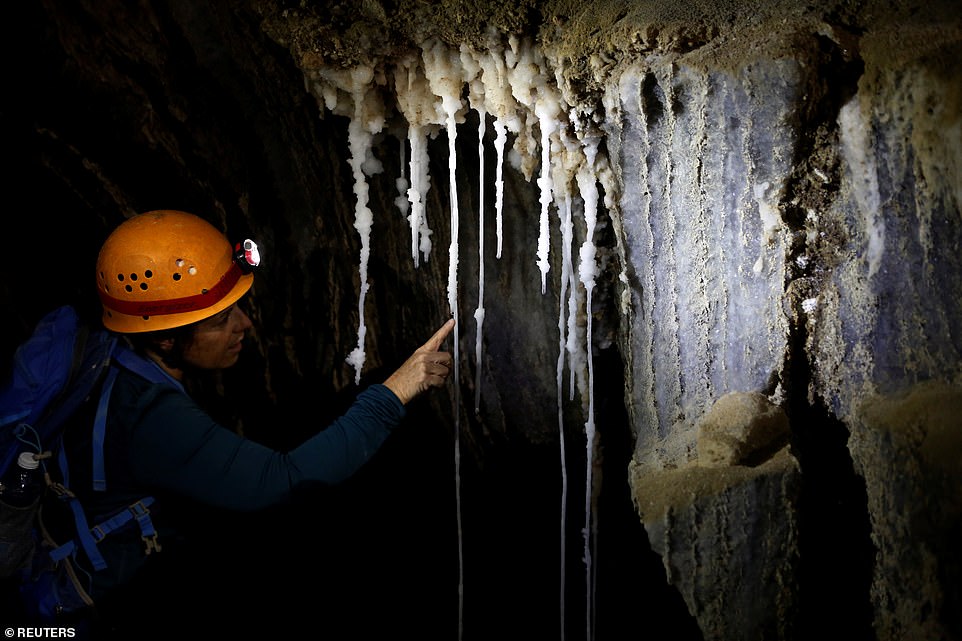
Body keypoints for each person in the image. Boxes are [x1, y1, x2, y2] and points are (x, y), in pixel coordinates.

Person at [40, 209, 455, 637]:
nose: (245, 325)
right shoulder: (147, 415)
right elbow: (282, 480)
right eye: (222, 320)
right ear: (166, 337)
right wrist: (395, 392)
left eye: (236, 309)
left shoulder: (111, 348)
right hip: (103, 607)